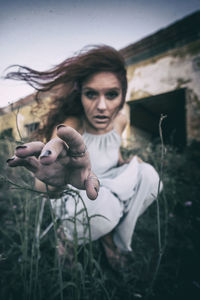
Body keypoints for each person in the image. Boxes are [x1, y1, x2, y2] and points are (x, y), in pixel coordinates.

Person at [6, 45, 162, 270]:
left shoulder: (121, 119)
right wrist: (54, 183)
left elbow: (113, 153)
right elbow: (44, 182)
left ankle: (116, 240)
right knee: (102, 204)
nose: (102, 106)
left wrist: (125, 163)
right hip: (77, 193)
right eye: (91, 94)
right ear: (80, 95)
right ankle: (68, 240)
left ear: (122, 96)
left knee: (150, 176)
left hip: (109, 184)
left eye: (111, 94)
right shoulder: (71, 127)